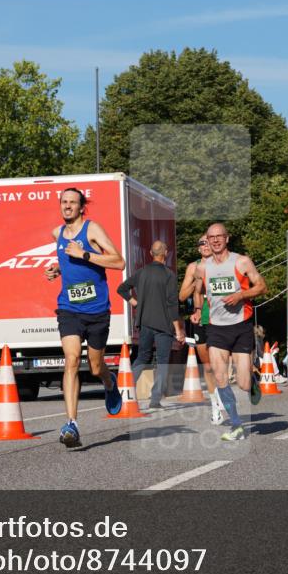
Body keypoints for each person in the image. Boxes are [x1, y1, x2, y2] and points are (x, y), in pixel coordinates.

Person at [44, 188, 124, 448]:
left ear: (81, 207)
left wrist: (85, 254)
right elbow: (67, 262)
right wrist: (57, 269)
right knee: (71, 359)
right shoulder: (57, 234)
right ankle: (72, 423)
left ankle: (109, 381)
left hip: (97, 310)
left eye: (72, 203)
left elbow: (118, 262)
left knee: (96, 366)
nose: (67, 206)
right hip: (69, 309)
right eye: (64, 202)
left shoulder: (92, 230)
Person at [193, 222, 267, 442]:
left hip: (241, 326)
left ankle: (252, 379)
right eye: (210, 237)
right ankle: (236, 424)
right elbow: (198, 291)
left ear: (227, 238)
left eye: (219, 236)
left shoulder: (242, 261)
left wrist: (241, 296)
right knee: (220, 376)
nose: (215, 240)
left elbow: (262, 286)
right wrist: (197, 310)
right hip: (216, 328)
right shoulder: (202, 268)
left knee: (242, 383)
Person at [117, 240, 185, 410]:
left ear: (150, 253)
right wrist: (178, 330)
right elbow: (172, 305)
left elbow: (122, 289)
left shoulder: (141, 273)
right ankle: (155, 400)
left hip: (145, 323)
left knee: (142, 357)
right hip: (163, 325)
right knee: (162, 362)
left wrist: (135, 303)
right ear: (166, 253)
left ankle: (124, 390)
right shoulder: (169, 275)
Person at [179, 233, 226, 424]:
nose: (205, 245)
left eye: (208, 241)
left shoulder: (225, 262)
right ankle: (216, 405)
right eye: (201, 243)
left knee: (222, 360)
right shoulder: (193, 266)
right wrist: (197, 280)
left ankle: (225, 393)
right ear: (198, 248)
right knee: (207, 365)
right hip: (201, 320)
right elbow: (182, 296)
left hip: (222, 317)